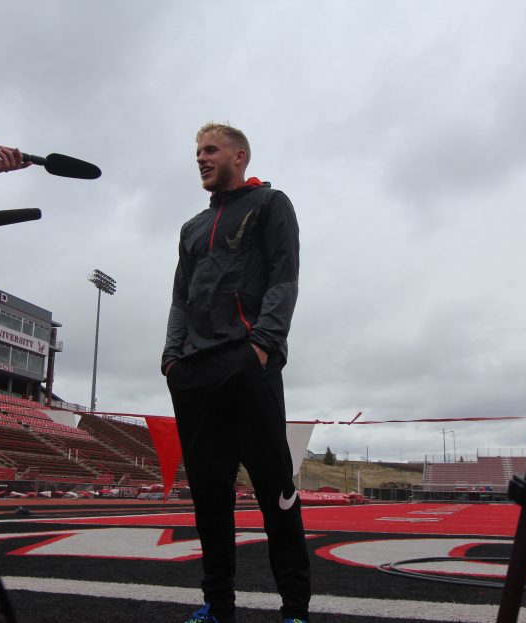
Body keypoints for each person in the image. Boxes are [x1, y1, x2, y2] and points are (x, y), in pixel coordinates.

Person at [162, 123, 310, 623]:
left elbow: (284, 277)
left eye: (210, 150)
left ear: (239, 156)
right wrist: (171, 358)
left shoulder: (270, 204)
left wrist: (263, 346)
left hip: (248, 364)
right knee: (209, 497)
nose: (200, 158)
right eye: (197, 152)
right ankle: (218, 604)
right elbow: (180, 299)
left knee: (276, 491)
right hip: (194, 374)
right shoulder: (190, 229)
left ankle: (294, 608)